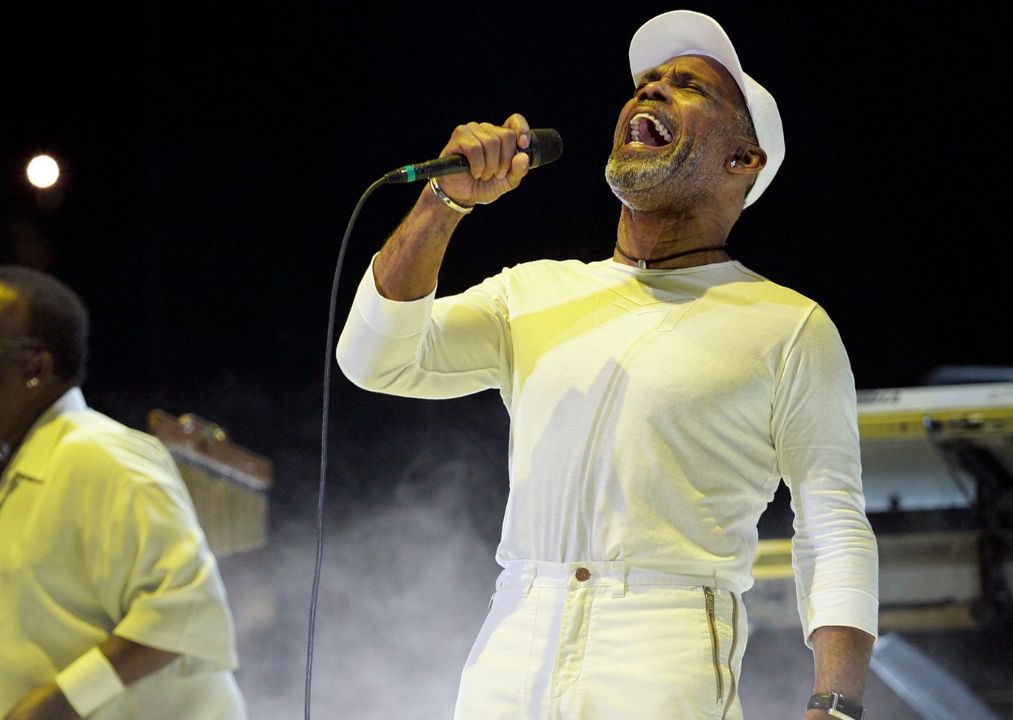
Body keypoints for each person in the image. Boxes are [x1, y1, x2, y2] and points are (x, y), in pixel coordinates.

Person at [336, 10, 877, 720]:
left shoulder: (788, 326)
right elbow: (372, 359)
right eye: (647, 82)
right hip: (513, 635)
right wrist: (445, 202)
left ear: (743, 161)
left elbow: (832, 524)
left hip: (665, 638)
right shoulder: (534, 290)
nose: (649, 92)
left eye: (688, 87)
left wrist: (835, 705)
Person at [0, 266, 246, 719]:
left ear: (35, 367)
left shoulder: (106, 458)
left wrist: (59, 703)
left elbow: (188, 607)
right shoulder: (3, 468)